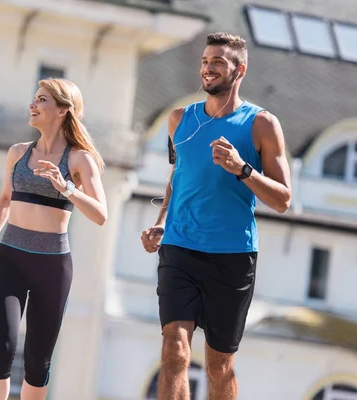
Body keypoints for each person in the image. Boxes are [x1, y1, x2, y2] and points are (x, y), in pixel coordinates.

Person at [141, 32, 291, 399]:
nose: (208, 69)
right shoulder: (179, 120)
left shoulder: (261, 124)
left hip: (233, 255)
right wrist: (161, 221)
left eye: (217, 63)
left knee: (218, 365)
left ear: (239, 70)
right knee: (174, 346)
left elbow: (284, 199)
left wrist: (243, 169)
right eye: (205, 62)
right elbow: (179, 176)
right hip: (180, 246)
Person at [0, 78, 107, 400]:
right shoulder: (17, 153)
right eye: (34, 98)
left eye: (41, 100)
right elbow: (4, 199)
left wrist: (66, 188)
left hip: (52, 266)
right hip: (10, 258)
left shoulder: (79, 160)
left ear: (62, 110)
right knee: (1, 346)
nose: (32, 105)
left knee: (37, 358)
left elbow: (101, 215)